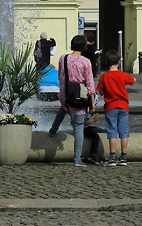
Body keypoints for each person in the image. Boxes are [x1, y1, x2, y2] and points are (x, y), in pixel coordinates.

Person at [57, 34, 95, 167]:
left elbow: (60, 75)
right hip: (79, 97)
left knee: (64, 107)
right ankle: (77, 158)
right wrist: (92, 102)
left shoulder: (63, 58)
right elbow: (89, 83)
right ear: (84, 46)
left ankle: (52, 130)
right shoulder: (85, 62)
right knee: (79, 128)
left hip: (65, 95)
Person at [96, 50, 134, 167]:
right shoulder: (122, 75)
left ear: (107, 62)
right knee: (123, 131)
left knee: (112, 131)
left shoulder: (104, 76)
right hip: (123, 105)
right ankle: (123, 157)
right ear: (118, 61)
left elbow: (100, 91)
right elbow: (132, 81)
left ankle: (112, 156)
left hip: (110, 106)